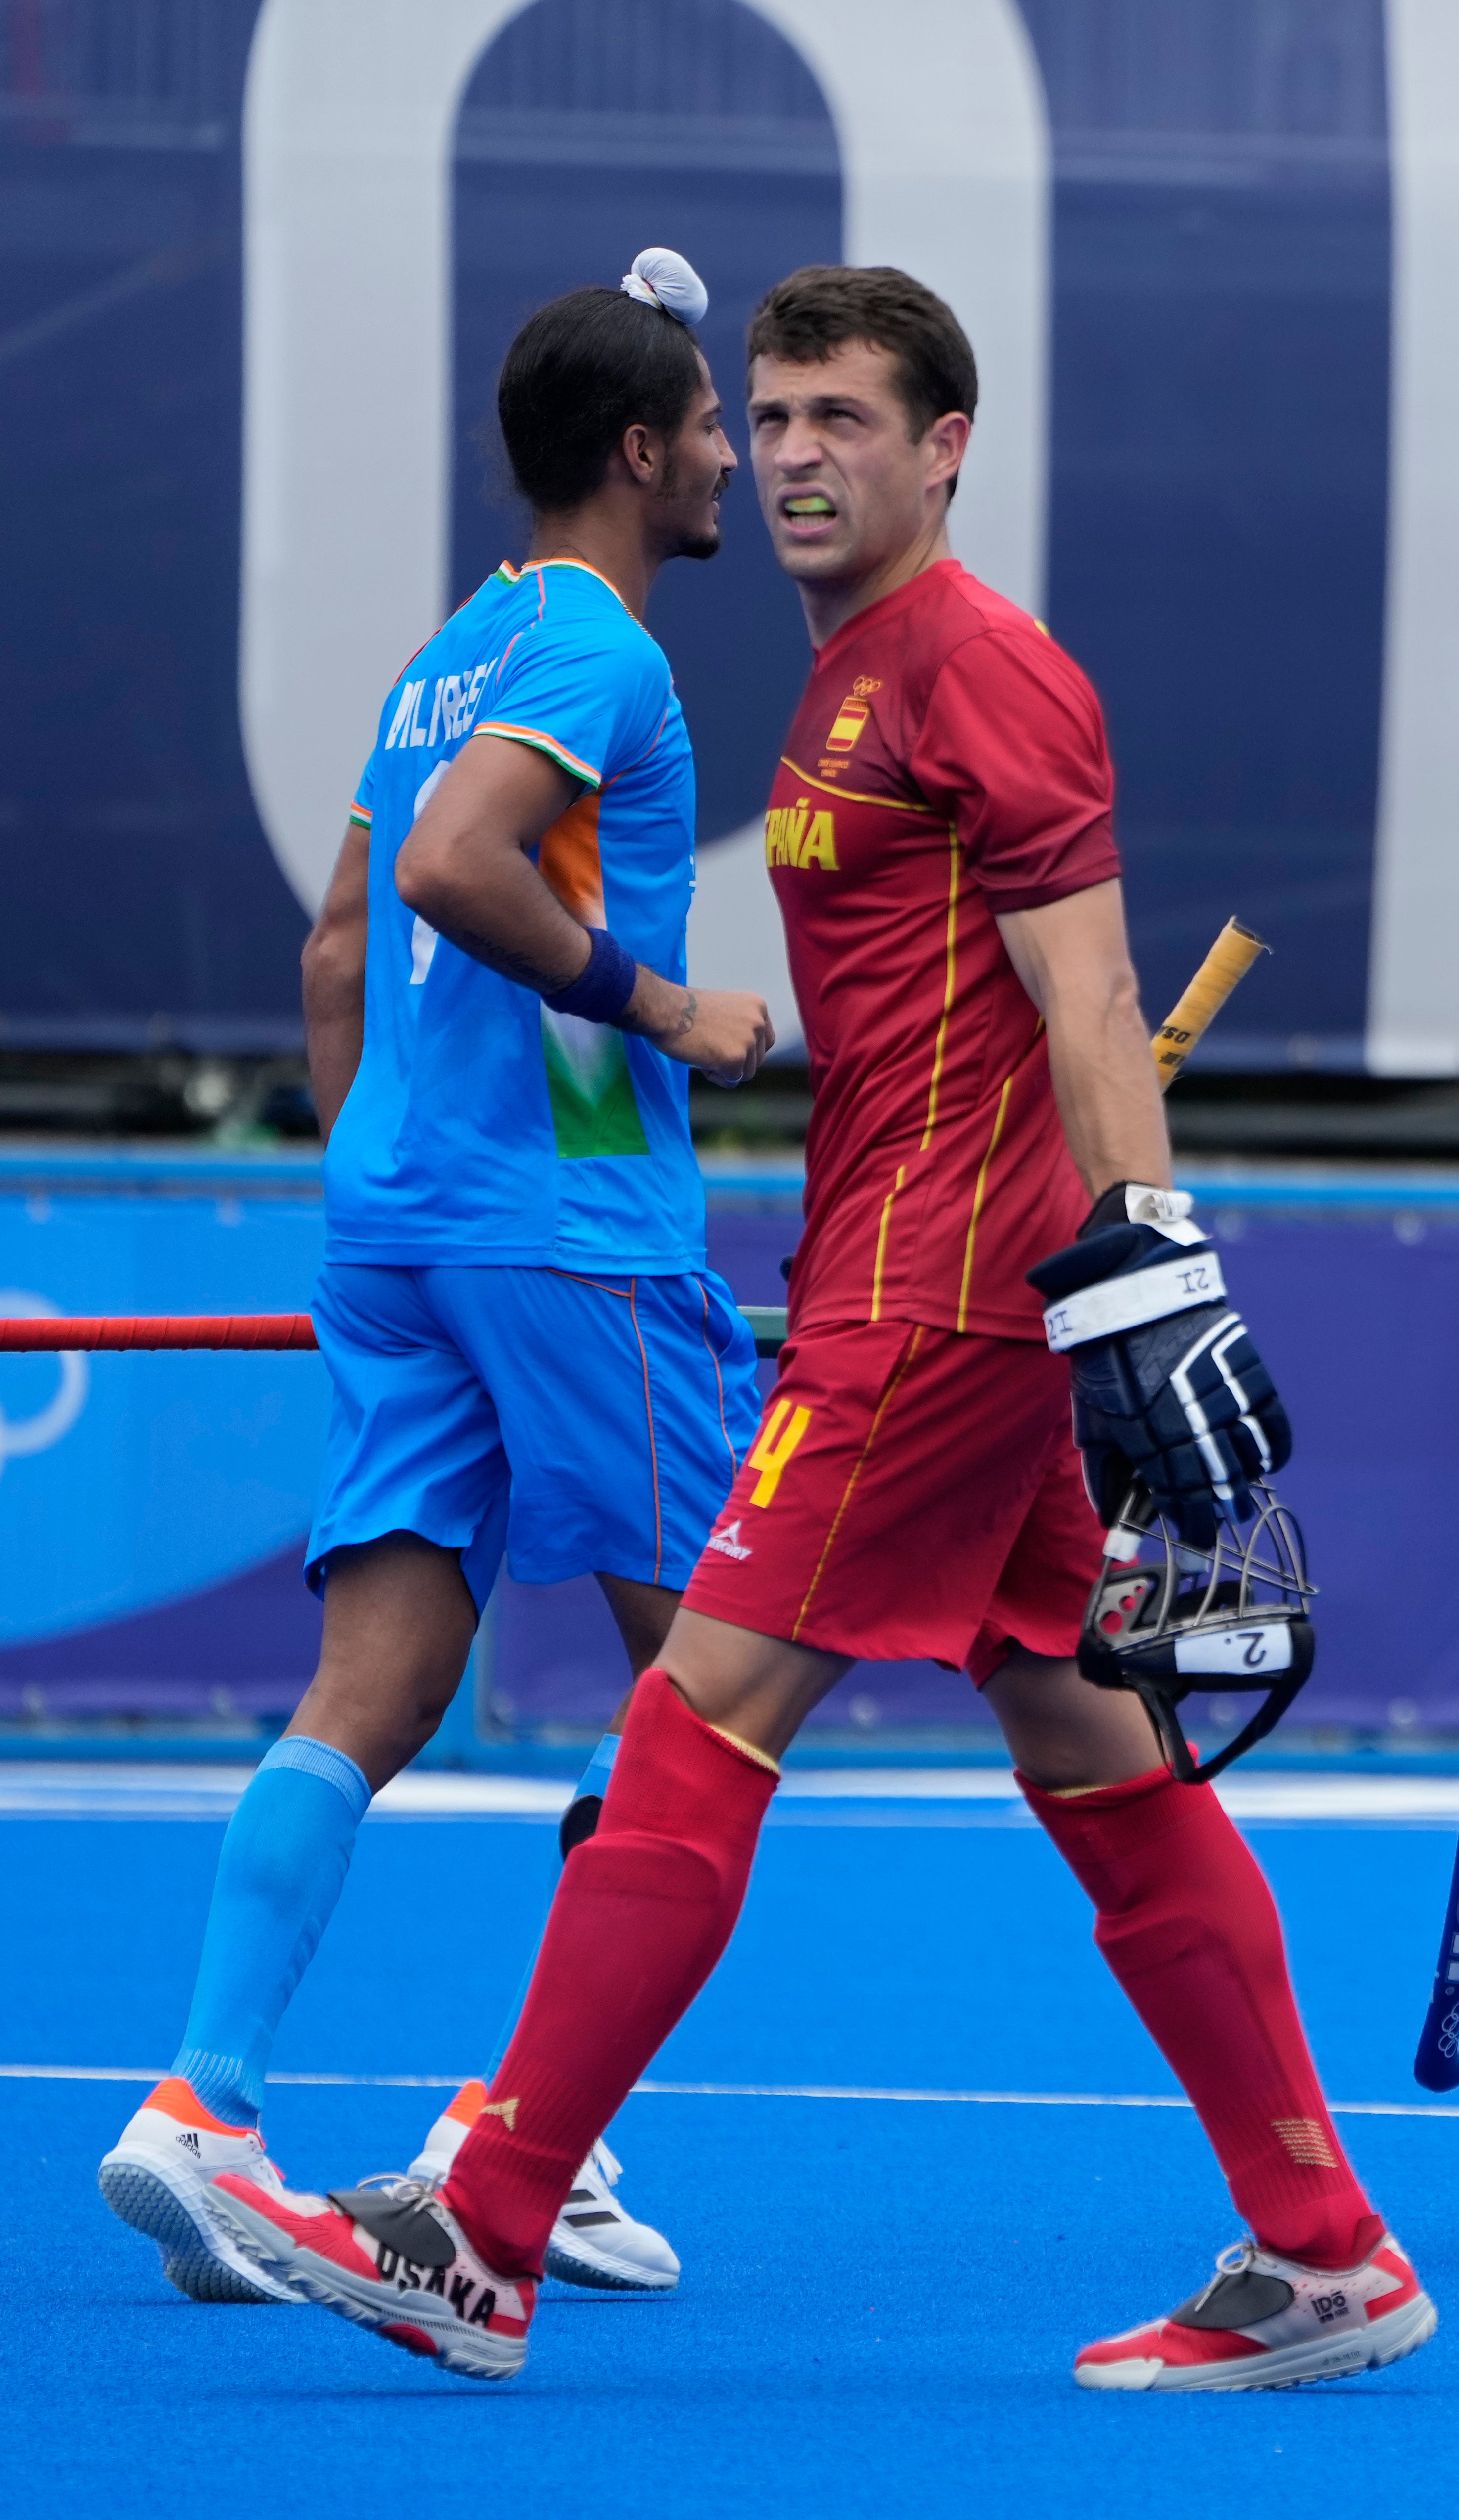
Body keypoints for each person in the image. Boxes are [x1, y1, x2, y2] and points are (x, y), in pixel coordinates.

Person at [205, 265, 1423, 2394]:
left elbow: (1093, 998)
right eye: (765, 419)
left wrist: (1149, 1253)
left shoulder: (982, 668)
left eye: (840, 419)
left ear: (944, 447)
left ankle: (483, 2230)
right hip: (906, 1273)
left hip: (939, 1302)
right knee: (1089, 1741)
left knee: (702, 1712)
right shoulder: (843, 677)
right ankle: (1324, 2247)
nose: (788, 456)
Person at [97, 250, 770, 2310]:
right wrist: (667, 1007)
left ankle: (204, 2105)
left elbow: (331, 950)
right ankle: (523, 2143)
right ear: (640, 451)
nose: (743, 456)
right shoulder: (603, 652)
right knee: (724, 1676)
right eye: (718, 427)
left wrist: (379, 1186)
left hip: (392, 1214)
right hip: (567, 1231)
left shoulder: (438, 662)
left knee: (370, 1686)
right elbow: (442, 875)